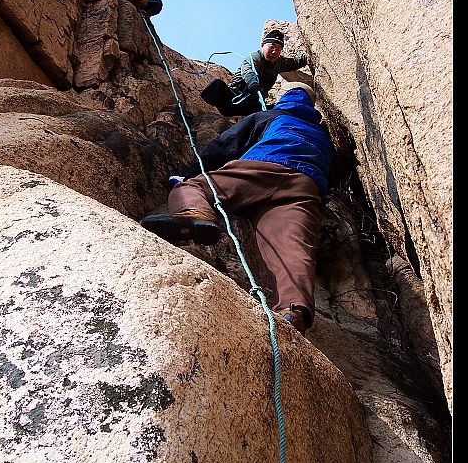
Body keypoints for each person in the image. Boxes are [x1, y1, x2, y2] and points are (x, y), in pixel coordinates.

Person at [141, 82, 335, 335]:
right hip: (305, 188)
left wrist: (192, 174)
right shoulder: (323, 136)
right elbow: (333, 173)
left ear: (286, 98)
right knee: (292, 249)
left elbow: (227, 143)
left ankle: (195, 213)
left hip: (261, 168)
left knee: (194, 187)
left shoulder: (271, 116)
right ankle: (293, 310)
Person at [200, 29, 309, 116]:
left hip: (253, 105)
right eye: (271, 47)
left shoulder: (279, 63)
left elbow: (294, 62)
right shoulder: (254, 58)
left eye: (279, 49)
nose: (274, 51)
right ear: (262, 45)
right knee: (217, 85)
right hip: (234, 99)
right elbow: (248, 71)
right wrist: (253, 84)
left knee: (281, 109)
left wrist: (309, 55)